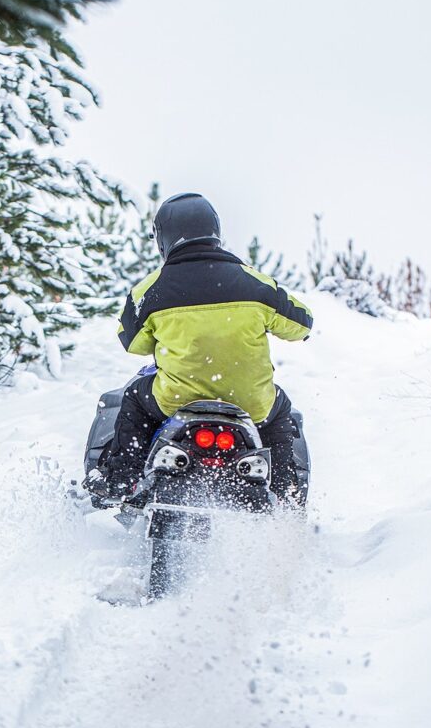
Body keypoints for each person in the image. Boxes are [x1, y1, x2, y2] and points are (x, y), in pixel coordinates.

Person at [98, 192, 313, 503]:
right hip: (250, 404)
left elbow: (131, 342)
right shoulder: (256, 284)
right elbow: (302, 324)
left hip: (176, 401)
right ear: (215, 230)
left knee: (134, 398)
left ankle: (122, 482)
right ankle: (284, 494)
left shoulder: (149, 290)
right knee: (281, 411)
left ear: (164, 238)